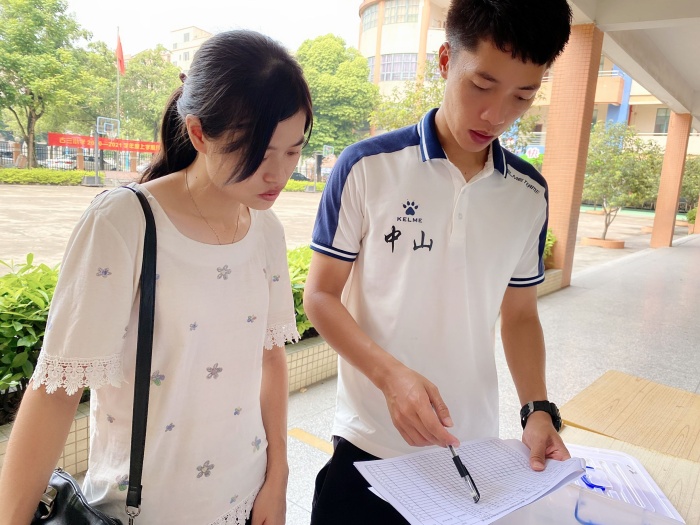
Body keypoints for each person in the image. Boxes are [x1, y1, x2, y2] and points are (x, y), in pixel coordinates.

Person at [0, 30, 312, 525]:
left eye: (293, 151)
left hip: (247, 498)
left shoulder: (266, 230)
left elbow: (270, 358)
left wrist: (278, 478)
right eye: (257, 152)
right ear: (199, 133)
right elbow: (57, 391)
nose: (278, 174)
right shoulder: (124, 221)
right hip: (142, 509)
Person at [304, 1, 573, 523]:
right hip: (368, 443)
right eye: (482, 85)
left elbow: (520, 316)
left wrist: (537, 410)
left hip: (470, 450)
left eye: (522, 96)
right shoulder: (367, 167)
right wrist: (390, 377)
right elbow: (320, 295)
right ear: (446, 60)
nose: (496, 115)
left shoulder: (528, 194)